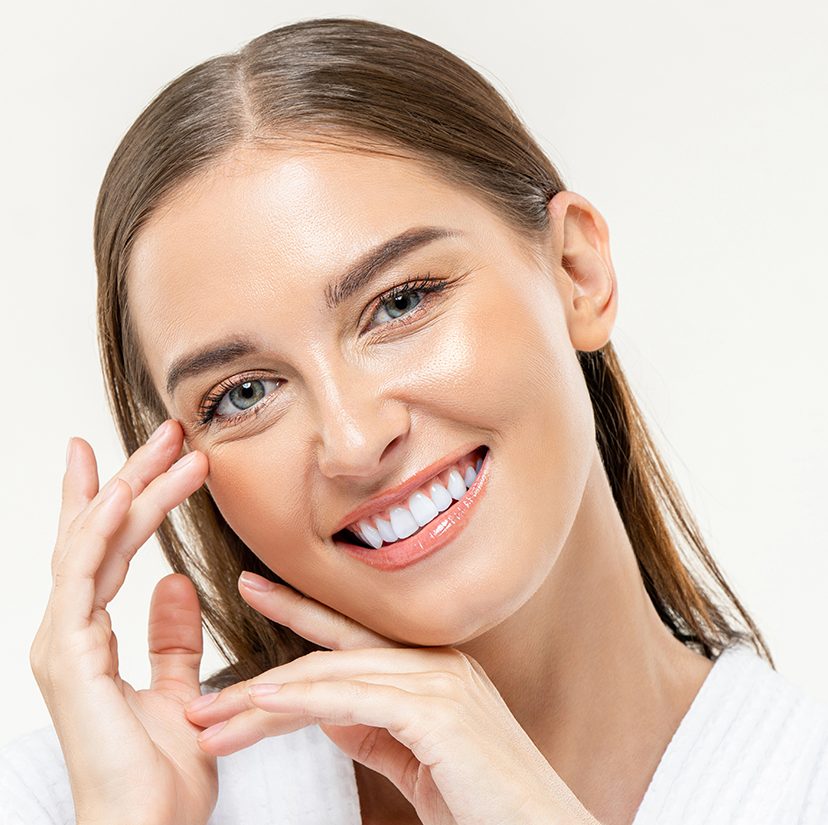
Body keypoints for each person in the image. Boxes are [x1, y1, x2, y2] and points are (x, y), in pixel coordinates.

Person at [2, 15, 827, 825]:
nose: (356, 443)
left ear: (577, 271)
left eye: (399, 302)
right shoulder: (77, 798)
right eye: (245, 393)